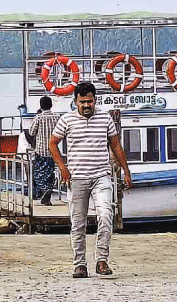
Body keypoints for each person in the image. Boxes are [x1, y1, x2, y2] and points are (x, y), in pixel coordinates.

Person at [49, 82, 131, 279]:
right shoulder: (66, 120)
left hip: (102, 176)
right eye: (83, 102)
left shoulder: (105, 118)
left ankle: (102, 260)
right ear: (76, 102)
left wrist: (126, 171)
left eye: (90, 101)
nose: (87, 105)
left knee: (105, 215)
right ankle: (80, 264)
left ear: (95, 101)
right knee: (78, 223)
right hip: (77, 178)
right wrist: (63, 168)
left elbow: (116, 146)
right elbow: (53, 143)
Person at [28, 96, 61, 205]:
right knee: (50, 173)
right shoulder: (57, 117)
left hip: (41, 151)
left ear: (41, 106)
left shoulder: (38, 117)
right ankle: (48, 194)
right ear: (51, 105)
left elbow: (31, 132)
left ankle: (44, 190)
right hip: (53, 151)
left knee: (38, 173)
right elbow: (61, 132)